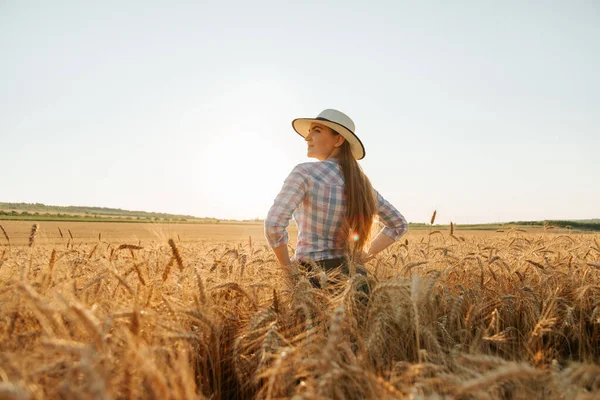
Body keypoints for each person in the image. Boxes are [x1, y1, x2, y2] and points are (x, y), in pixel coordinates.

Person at [264, 109, 408, 288]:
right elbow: (399, 224)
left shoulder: (305, 173)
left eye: (316, 130)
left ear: (338, 140)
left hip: (312, 279)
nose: (307, 138)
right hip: (356, 280)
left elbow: (273, 225)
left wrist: (289, 271)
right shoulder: (362, 184)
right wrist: (363, 256)